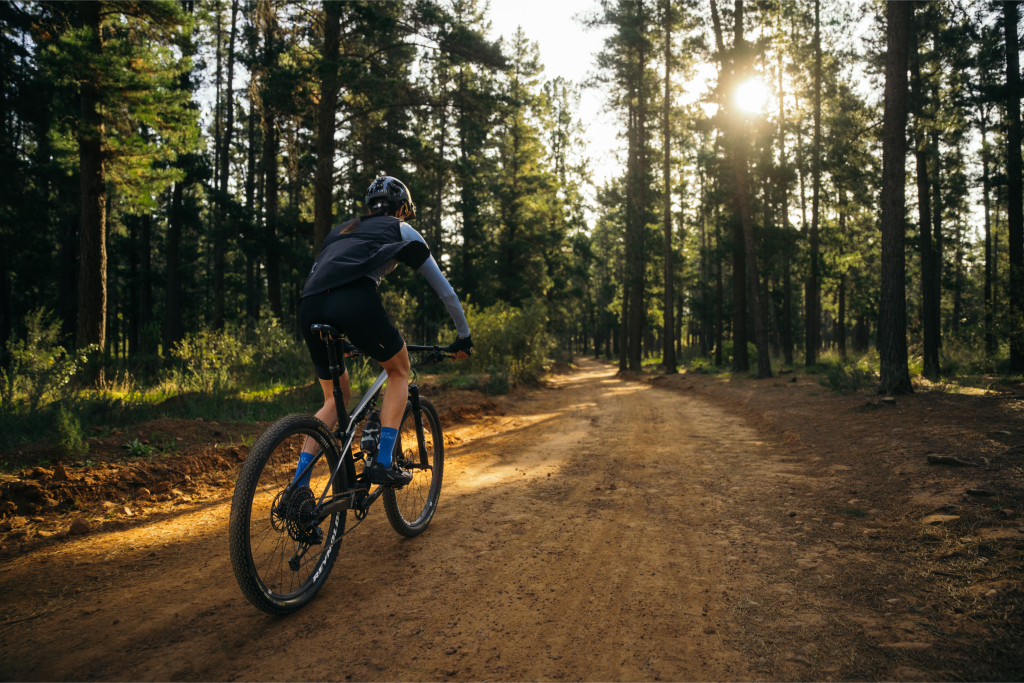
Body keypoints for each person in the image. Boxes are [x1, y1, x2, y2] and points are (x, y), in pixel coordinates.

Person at [296, 174, 473, 486]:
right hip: (353, 301)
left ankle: (298, 485)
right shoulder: (400, 227)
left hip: (309, 304)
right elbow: (445, 292)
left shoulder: (341, 230)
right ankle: (382, 462)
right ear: (402, 209)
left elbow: (329, 278)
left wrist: (345, 335)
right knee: (399, 370)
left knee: (333, 399)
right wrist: (463, 335)